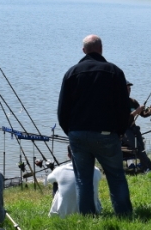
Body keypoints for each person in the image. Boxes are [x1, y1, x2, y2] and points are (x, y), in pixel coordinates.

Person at [57, 34, 133, 216]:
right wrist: (120, 132)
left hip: (78, 134)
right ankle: (124, 215)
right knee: (116, 176)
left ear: (84, 51)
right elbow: (124, 108)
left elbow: (62, 110)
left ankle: (88, 217)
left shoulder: (71, 73)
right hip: (107, 134)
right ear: (101, 49)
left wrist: (71, 132)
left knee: (83, 179)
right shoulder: (115, 72)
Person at [46, 146, 102, 217]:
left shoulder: (59, 170)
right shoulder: (96, 170)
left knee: (55, 183)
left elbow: (49, 179)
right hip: (92, 213)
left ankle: (57, 212)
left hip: (64, 215)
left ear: (69, 156)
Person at [124, 81, 151, 172]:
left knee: (141, 147)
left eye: (129, 89)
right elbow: (124, 118)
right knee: (137, 147)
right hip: (123, 131)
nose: (128, 91)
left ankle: (145, 165)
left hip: (133, 129)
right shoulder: (117, 103)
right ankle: (149, 166)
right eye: (126, 89)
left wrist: (149, 111)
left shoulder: (132, 101)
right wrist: (136, 111)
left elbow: (143, 113)